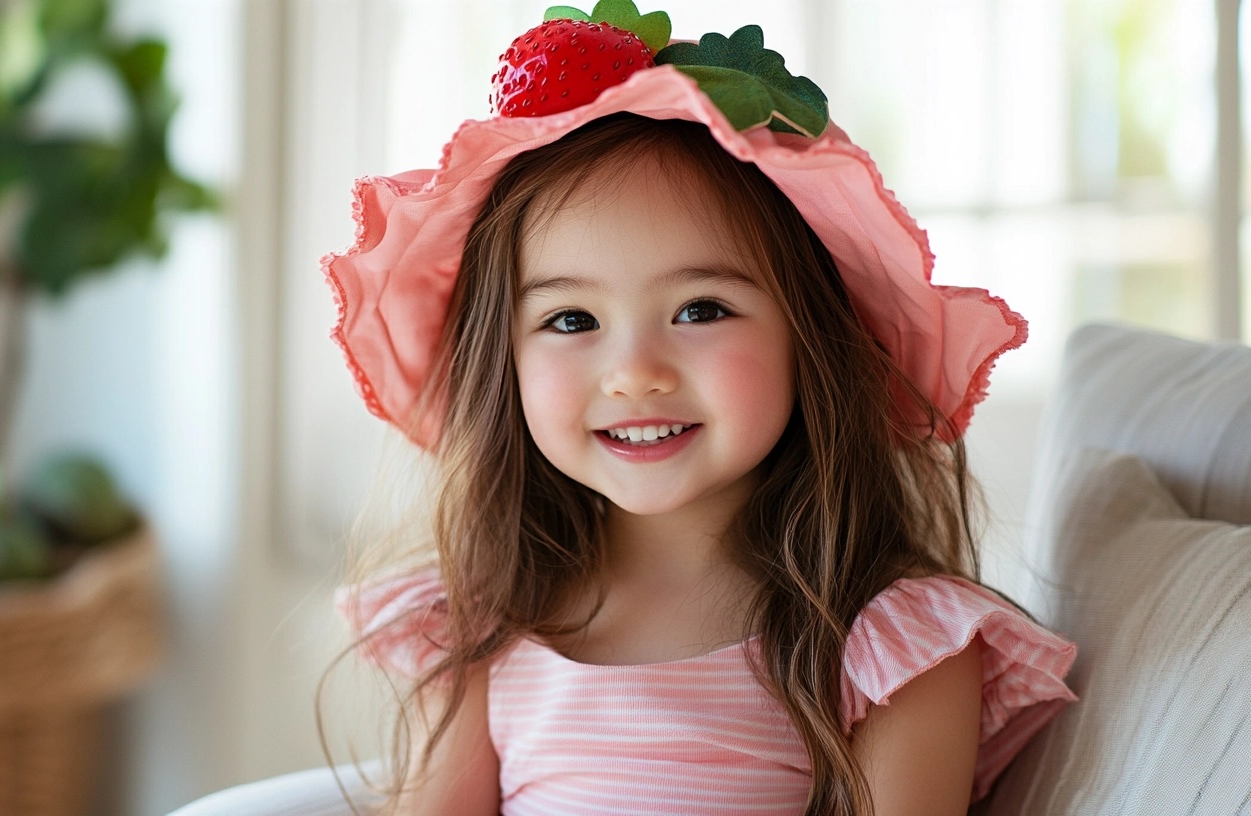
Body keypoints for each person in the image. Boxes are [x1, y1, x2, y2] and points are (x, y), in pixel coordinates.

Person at [322, 4, 1078, 815]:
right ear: (501, 363)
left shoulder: (893, 647)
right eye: (571, 321)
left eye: (701, 309)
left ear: (809, 334)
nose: (635, 375)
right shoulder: (481, 624)